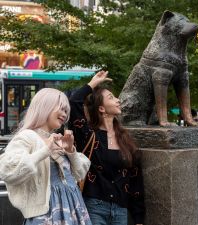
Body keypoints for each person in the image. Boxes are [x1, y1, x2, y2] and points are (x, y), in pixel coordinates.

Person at [0, 88, 92, 225]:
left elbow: (80, 174)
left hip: (74, 209)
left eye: (66, 111)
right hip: (47, 215)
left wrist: (71, 151)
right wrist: (45, 151)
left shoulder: (56, 139)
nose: (64, 115)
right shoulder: (27, 136)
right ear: (44, 107)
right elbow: (7, 170)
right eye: (61, 109)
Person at [68, 70, 145, 225]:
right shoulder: (88, 135)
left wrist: (138, 219)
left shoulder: (126, 139)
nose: (118, 100)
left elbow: (136, 180)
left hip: (121, 209)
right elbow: (74, 102)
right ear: (101, 108)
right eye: (111, 97)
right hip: (94, 206)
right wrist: (93, 84)